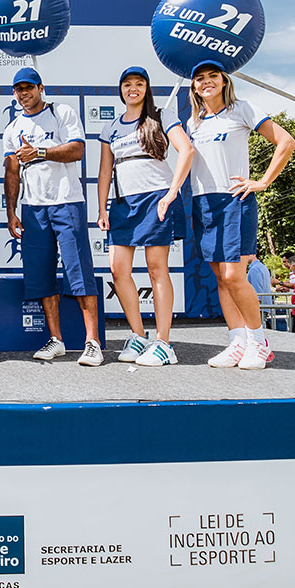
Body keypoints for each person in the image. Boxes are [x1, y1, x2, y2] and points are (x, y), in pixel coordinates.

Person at [185, 60, 295, 370]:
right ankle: (238, 342)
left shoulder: (242, 108)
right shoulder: (194, 122)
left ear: (223, 81)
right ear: (193, 86)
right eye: (199, 78)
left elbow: (286, 142)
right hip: (203, 202)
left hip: (235, 198)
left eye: (212, 76)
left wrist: (262, 181)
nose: (206, 81)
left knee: (235, 276)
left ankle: (259, 342)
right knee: (221, 278)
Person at [2, 67, 102, 365]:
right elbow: (11, 172)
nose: (24, 93)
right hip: (33, 208)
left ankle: (92, 342)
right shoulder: (12, 128)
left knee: (79, 272)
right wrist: (10, 212)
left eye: (29, 88)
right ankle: (56, 340)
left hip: (66, 202)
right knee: (41, 276)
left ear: (40, 88)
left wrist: (41, 153)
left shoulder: (62, 112)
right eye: (19, 89)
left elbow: (77, 150)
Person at [96, 66, 195, 366]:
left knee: (156, 269)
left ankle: (164, 342)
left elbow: (187, 151)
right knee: (118, 270)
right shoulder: (110, 127)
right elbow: (104, 171)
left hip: (156, 199)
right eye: (127, 84)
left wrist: (171, 193)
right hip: (124, 204)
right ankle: (139, 336)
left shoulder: (162, 116)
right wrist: (102, 207)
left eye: (139, 83)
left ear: (146, 88)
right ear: (121, 90)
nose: (133, 89)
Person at [244, 254, 275, 327]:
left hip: (258, 308)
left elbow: (257, 291)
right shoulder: (262, 267)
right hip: (263, 307)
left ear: (254, 254)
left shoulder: (255, 269)